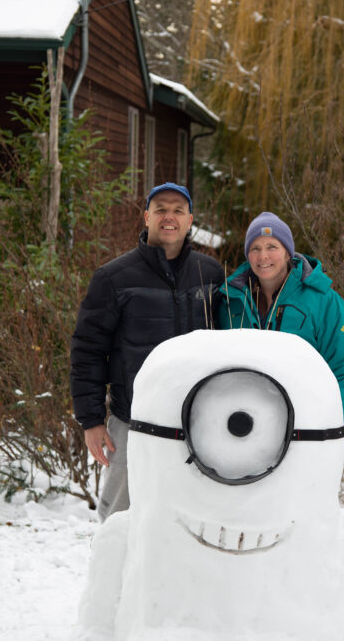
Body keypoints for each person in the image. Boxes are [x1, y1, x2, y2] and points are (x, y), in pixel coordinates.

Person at [70, 183, 224, 521]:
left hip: (198, 423)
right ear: (147, 217)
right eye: (161, 209)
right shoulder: (113, 278)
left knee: (192, 522)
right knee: (120, 520)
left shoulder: (210, 274)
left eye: (178, 210)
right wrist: (91, 420)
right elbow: (88, 350)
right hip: (132, 420)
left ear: (189, 220)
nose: (169, 216)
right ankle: (115, 575)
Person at [217, 211, 344, 438]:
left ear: (287, 253)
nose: (263, 256)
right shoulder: (229, 301)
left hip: (305, 431)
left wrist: (338, 438)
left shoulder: (323, 300)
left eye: (272, 246)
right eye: (255, 248)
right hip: (245, 432)